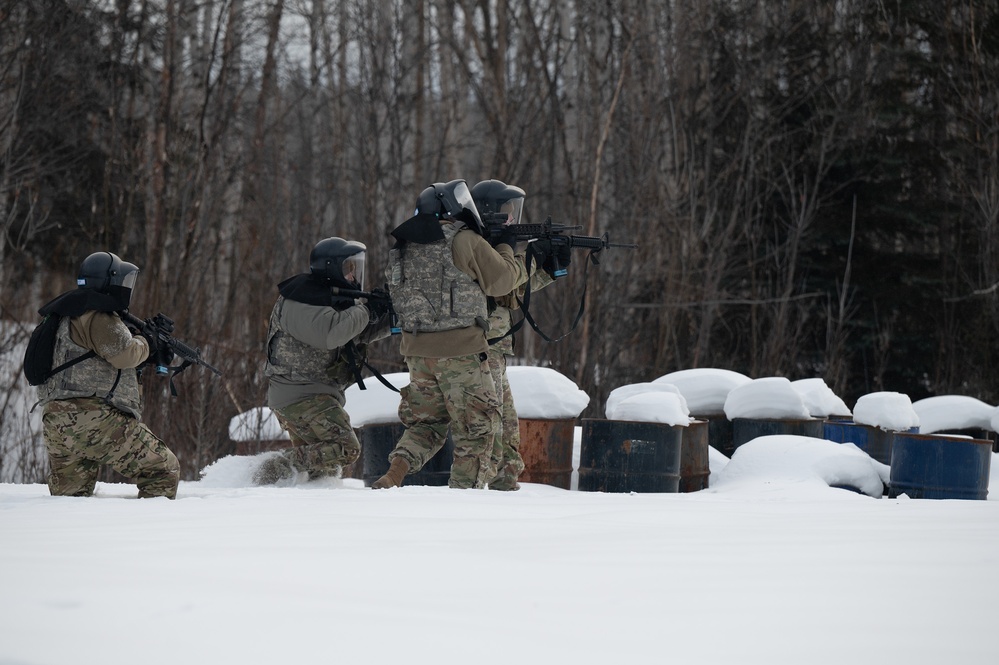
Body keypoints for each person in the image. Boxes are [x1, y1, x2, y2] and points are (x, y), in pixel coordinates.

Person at [371, 179, 528, 489]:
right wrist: (507, 245)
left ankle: (393, 475)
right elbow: (502, 282)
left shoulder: (402, 247)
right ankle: (461, 501)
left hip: (417, 356)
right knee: (478, 432)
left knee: (424, 426)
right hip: (462, 353)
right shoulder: (463, 240)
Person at [33, 252, 181, 499]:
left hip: (57, 423)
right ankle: (154, 534)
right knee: (162, 469)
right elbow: (125, 354)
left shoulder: (63, 314)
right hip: (92, 418)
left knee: (70, 497)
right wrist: (147, 343)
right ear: (108, 281)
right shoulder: (97, 314)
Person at [256, 237, 393, 484]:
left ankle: (299, 503)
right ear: (330, 268)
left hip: (312, 395)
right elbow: (330, 334)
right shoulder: (299, 301)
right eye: (348, 270)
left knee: (322, 470)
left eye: (356, 269)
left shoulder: (330, 299)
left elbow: (357, 333)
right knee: (344, 447)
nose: (353, 277)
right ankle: (270, 469)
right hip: (299, 396)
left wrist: (388, 314)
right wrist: (366, 310)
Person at [470, 179, 570, 491]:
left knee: (508, 425)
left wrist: (548, 270)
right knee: (493, 421)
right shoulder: (476, 248)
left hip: (496, 346)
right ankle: (485, 483)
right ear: (489, 212)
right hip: (482, 345)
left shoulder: (495, 246)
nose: (513, 219)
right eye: (507, 212)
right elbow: (499, 288)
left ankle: (505, 482)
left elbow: (513, 293)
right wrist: (531, 260)